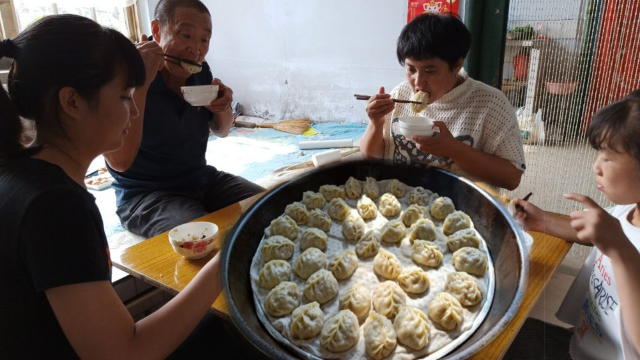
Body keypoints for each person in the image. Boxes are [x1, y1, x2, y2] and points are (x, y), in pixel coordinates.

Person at [0, 14, 236, 360]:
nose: (135, 111)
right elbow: (124, 353)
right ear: (73, 102)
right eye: (126, 96)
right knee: (237, 333)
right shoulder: (54, 206)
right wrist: (228, 256)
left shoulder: (24, 176)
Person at [105, 0, 263, 238]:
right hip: (145, 195)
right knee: (201, 237)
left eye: (204, 40)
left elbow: (221, 130)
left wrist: (222, 108)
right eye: (186, 35)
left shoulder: (201, 73)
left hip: (202, 180)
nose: (196, 49)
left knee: (271, 205)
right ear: (157, 31)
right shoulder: (125, 76)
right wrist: (141, 82)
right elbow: (119, 161)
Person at [514, 90, 640, 359]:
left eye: (607, 156)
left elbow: (617, 242)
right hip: (582, 345)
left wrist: (622, 252)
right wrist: (544, 221)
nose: (596, 166)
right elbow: (597, 232)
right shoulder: (629, 209)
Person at [359, 13, 526, 190]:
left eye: (429, 71)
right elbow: (371, 158)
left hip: (460, 209)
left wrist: (454, 149)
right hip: (400, 201)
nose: (417, 82)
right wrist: (376, 124)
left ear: (456, 66)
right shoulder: (401, 92)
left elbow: (512, 178)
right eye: (411, 69)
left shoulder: (491, 103)